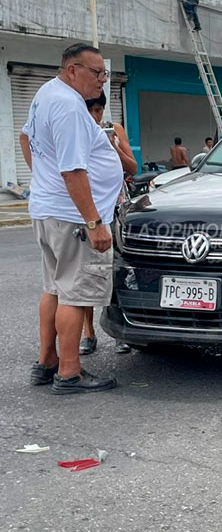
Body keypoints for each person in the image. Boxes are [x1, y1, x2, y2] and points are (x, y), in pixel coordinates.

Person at [18, 43, 121, 394]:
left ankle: (46, 363)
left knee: (54, 289)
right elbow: (74, 170)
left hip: (49, 210)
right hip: (73, 217)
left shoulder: (46, 93)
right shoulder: (70, 107)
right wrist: (94, 222)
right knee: (75, 295)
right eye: (97, 73)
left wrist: (41, 181)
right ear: (72, 70)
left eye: (105, 74)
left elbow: (25, 137)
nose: (102, 82)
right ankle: (69, 371)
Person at [78, 92, 137, 356]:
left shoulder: (114, 130)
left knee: (115, 271)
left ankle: (119, 331)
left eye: (99, 110)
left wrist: (111, 145)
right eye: (91, 110)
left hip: (115, 208)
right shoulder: (75, 128)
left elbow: (132, 167)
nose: (96, 116)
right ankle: (88, 333)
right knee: (86, 272)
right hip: (88, 211)